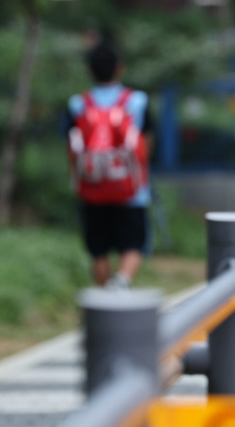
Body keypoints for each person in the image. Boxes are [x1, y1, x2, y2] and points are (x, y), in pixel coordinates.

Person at [65, 39, 153, 289]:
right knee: (134, 244)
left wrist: (76, 180)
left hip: (92, 189)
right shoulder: (138, 101)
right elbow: (145, 145)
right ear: (120, 68)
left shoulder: (78, 104)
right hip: (132, 190)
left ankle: (105, 297)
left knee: (99, 249)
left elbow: (71, 147)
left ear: (89, 71)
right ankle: (122, 280)